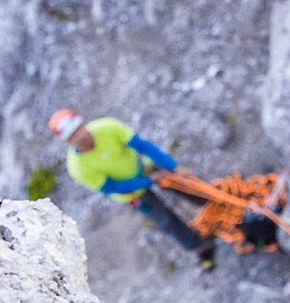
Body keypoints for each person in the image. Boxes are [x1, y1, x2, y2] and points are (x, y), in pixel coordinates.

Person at [50, 109, 218, 269]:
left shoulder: (107, 127)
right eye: (74, 135)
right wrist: (147, 182)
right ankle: (200, 248)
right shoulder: (78, 168)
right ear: (67, 141)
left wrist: (173, 168)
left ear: (84, 122)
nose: (81, 136)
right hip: (131, 192)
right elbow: (111, 187)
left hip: (143, 167)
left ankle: (219, 206)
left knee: (186, 186)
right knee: (164, 220)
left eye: (79, 129)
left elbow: (142, 146)